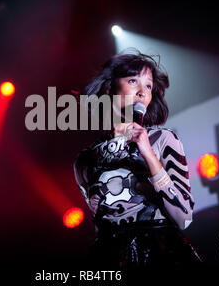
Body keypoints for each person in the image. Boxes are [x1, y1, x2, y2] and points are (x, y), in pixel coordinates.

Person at [73, 49, 202, 271]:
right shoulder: (85, 161)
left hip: (162, 253)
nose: (142, 91)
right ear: (109, 88)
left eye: (149, 86)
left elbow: (184, 218)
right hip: (110, 257)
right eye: (133, 81)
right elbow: (100, 225)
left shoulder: (163, 140)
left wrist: (148, 154)